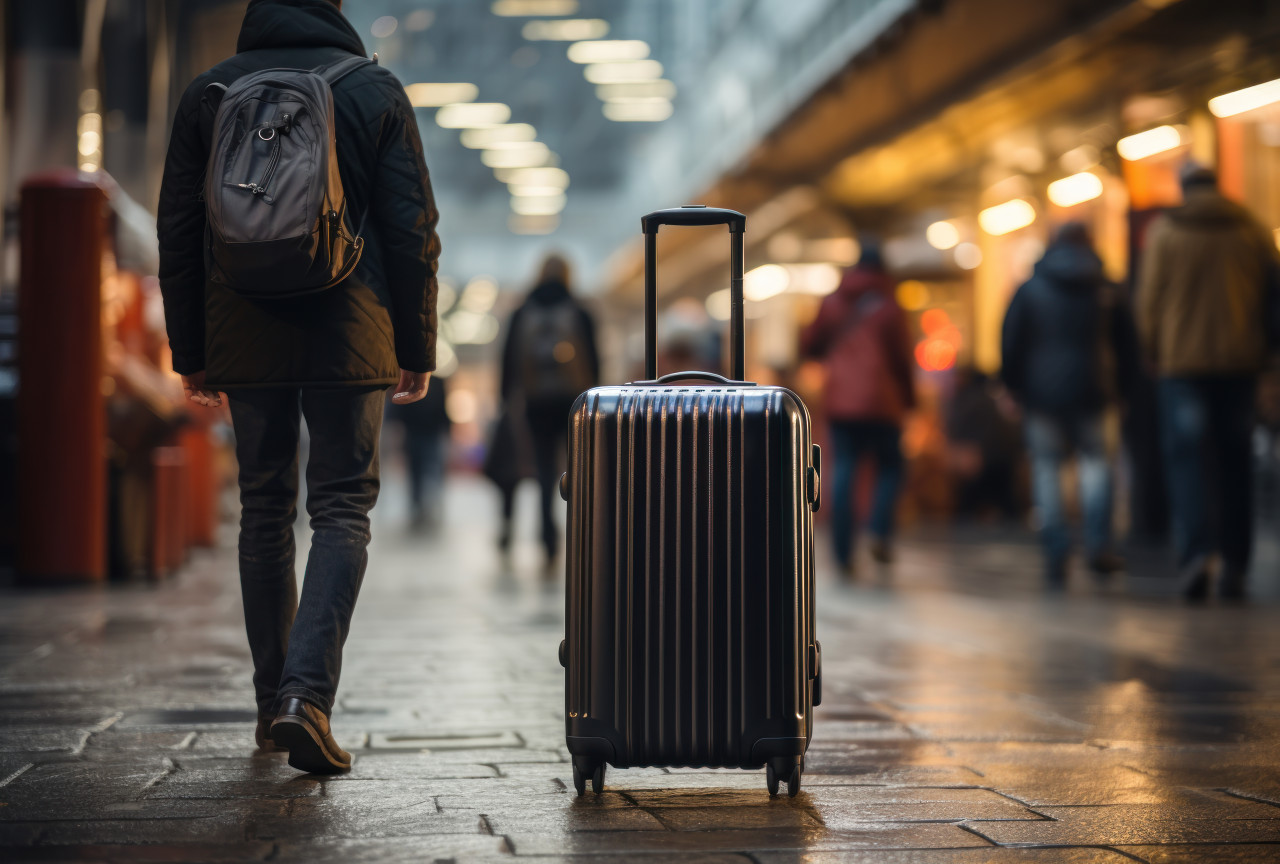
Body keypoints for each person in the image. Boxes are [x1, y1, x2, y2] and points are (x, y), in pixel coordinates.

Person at [157, 0, 440, 773]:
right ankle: (304, 699)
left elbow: (178, 228)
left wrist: (193, 348)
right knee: (343, 507)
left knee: (264, 509)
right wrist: (416, 344)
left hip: (242, 323)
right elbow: (413, 227)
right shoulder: (371, 89)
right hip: (351, 322)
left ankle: (268, 704)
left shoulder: (209, 94)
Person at [1137, 165, 1279, 601]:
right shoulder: (1251, 229)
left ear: (1183, 189)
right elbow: (1274, 294)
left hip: (1182, 367)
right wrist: (1268, 354)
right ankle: (1236, 562)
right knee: (1236, 463)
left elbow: (1150, 299)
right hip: (1240, 363)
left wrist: (1153, 350)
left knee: (1188, 463)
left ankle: (1198, 551)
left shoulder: (1165, 232)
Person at [1001, 223, 1136, 587]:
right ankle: (1098, 547)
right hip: (1097, 390)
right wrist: (1124, 390)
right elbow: (1128, 346)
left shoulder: (1031, 288)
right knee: (1097, 466)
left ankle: (1056, 549)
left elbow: (1011, 341)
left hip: (1042, 394)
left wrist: (1012, 388)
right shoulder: (1107, 287)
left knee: (1048, 468)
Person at [800, 245, 915, 576]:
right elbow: (902, 360)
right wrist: (909, 402)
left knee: (844, 470)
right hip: (883, 401)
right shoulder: (890, 306)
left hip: (841, 401)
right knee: (891, 466)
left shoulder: (834, 301)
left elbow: (810, 344)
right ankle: (878, 531)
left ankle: (842, 551)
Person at [497, 254, 599, 566]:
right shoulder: (579, 311)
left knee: (542, 469)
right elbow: (594, 359)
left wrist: (505, 398)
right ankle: (581, 533)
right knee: (580, 469)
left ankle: (547, 537)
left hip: (535, 401)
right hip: (574, 401)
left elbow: (508, 358)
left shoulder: (522, 310)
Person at [389, 376, 451, 530]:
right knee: (419, 473)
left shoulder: (414, 379)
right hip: (417, 432)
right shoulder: (412, 379)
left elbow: (443, 408)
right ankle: (420, 508)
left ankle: (427, 507)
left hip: (427, 432)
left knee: (427, 472)